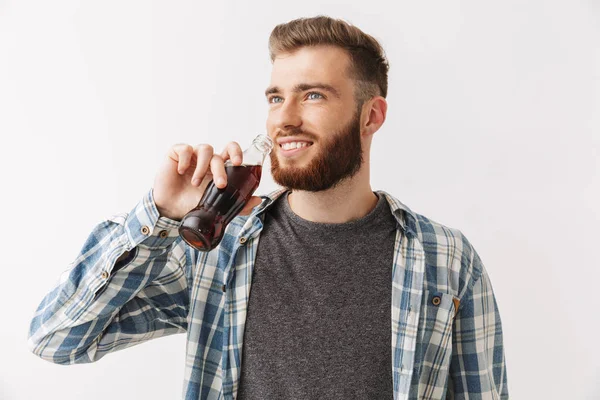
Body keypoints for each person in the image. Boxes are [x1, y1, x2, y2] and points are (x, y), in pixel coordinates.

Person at [28, 15, 508, 400]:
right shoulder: (216, 248)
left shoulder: (445, 258)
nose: (285, 118)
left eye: (313, 95)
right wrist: (160, 213)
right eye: (276, 97)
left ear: (371, 115)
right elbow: (57, 339)